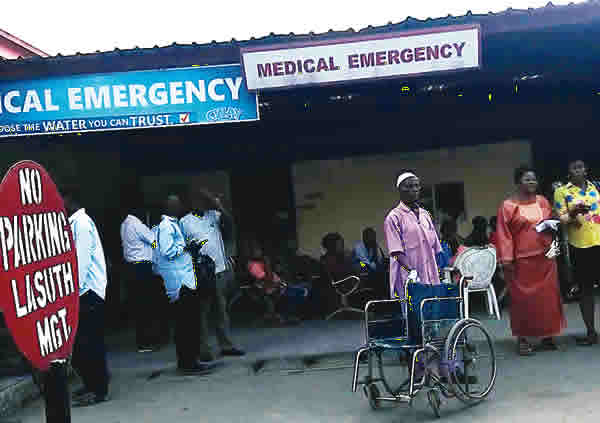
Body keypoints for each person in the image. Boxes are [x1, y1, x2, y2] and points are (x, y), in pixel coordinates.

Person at [496, 166, 566, 356]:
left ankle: (547, 335)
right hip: (521, 261)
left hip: (545, 258)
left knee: (547, 299)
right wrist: (507, 259)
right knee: (522, 302)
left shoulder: (543, 201)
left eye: (534, 179)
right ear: (518, 182)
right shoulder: (507, 206)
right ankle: (523, 339)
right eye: (527, 179)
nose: (532, 182)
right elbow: (504, 235)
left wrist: (554, 226)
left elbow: (552, 225)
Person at [180, 189, 244, 361]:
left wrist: (217, 204)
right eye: (197, 201)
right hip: (201, 273)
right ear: (191, 203)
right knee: (202, 312)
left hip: (219, 270)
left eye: (203, 201)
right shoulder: (185, 222)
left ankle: (226, 345)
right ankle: (203, 350)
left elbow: (230, 225)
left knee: (221, 311)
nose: (201, 204)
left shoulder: (213, 215)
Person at [154, 195, 216, 375]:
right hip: (179, 283)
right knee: (185, 325)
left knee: (190, 323)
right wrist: (187, 248)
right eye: (177, 204)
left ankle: (191, 360)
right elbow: (167, 251)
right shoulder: (166, 227)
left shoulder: (174, 224)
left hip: (185, 280)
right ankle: (187, 363)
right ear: (169, 207)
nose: (180, 206)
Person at [63, 186, 110, 407]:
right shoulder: (75, 223)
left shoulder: (81, 224)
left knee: (89, 344)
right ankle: (91, 383)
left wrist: (71, 295)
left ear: (70, 200)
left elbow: (80, 264)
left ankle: (98, 390)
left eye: (61, 200)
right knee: (83, 344)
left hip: (87, 292)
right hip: (83, 292)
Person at [554, 159, 600, 345]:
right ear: (569, 172)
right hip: (580, 247)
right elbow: (562, 219)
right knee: (586, 290)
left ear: (586, 170)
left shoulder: (596, 187)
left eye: (581, 167)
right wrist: (574, 212)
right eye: (574, 168)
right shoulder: (562, 191)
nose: (578, 170)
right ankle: (591, 333)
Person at [384, 171, 442, 299]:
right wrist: (412, 271)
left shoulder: (425, 215)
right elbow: (396, 252)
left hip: (431, 276)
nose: (414, 189)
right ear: (400, 189)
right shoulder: (394, 217)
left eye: (416, 186)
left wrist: (441, 269)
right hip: (410, 277)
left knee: (432, 308)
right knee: (413, 309)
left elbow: (436, 247)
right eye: (409, 186)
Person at [120, 207, 166, 352]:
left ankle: (142, 341)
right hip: (142, 268)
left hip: (132, 268)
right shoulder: (137, 225)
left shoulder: (125, 224)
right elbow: (154, 242)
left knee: (139, 306)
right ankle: (148, 341)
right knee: (147, 305)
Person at [247, 241, 310, 324]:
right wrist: (267, 264)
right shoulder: (254, 265)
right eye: (256, 250)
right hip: (270, 289)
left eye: (259, 249)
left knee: (305, 286)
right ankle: (286, 315)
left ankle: (289, 315)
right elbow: (268, 280)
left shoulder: (261, 262)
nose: (259, 252)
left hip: (278, 286)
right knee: (302, 291)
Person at [351, 227, 387, 298]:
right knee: (363, 265)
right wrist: (377, 266)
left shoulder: (374, 246)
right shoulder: (359, 247)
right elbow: (366, 262)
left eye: (374, 237)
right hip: (360, 264)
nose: (373, 239)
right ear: (364, 238)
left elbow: (380, 259)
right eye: (370, 237)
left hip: (370, 267)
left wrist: (376, 251)